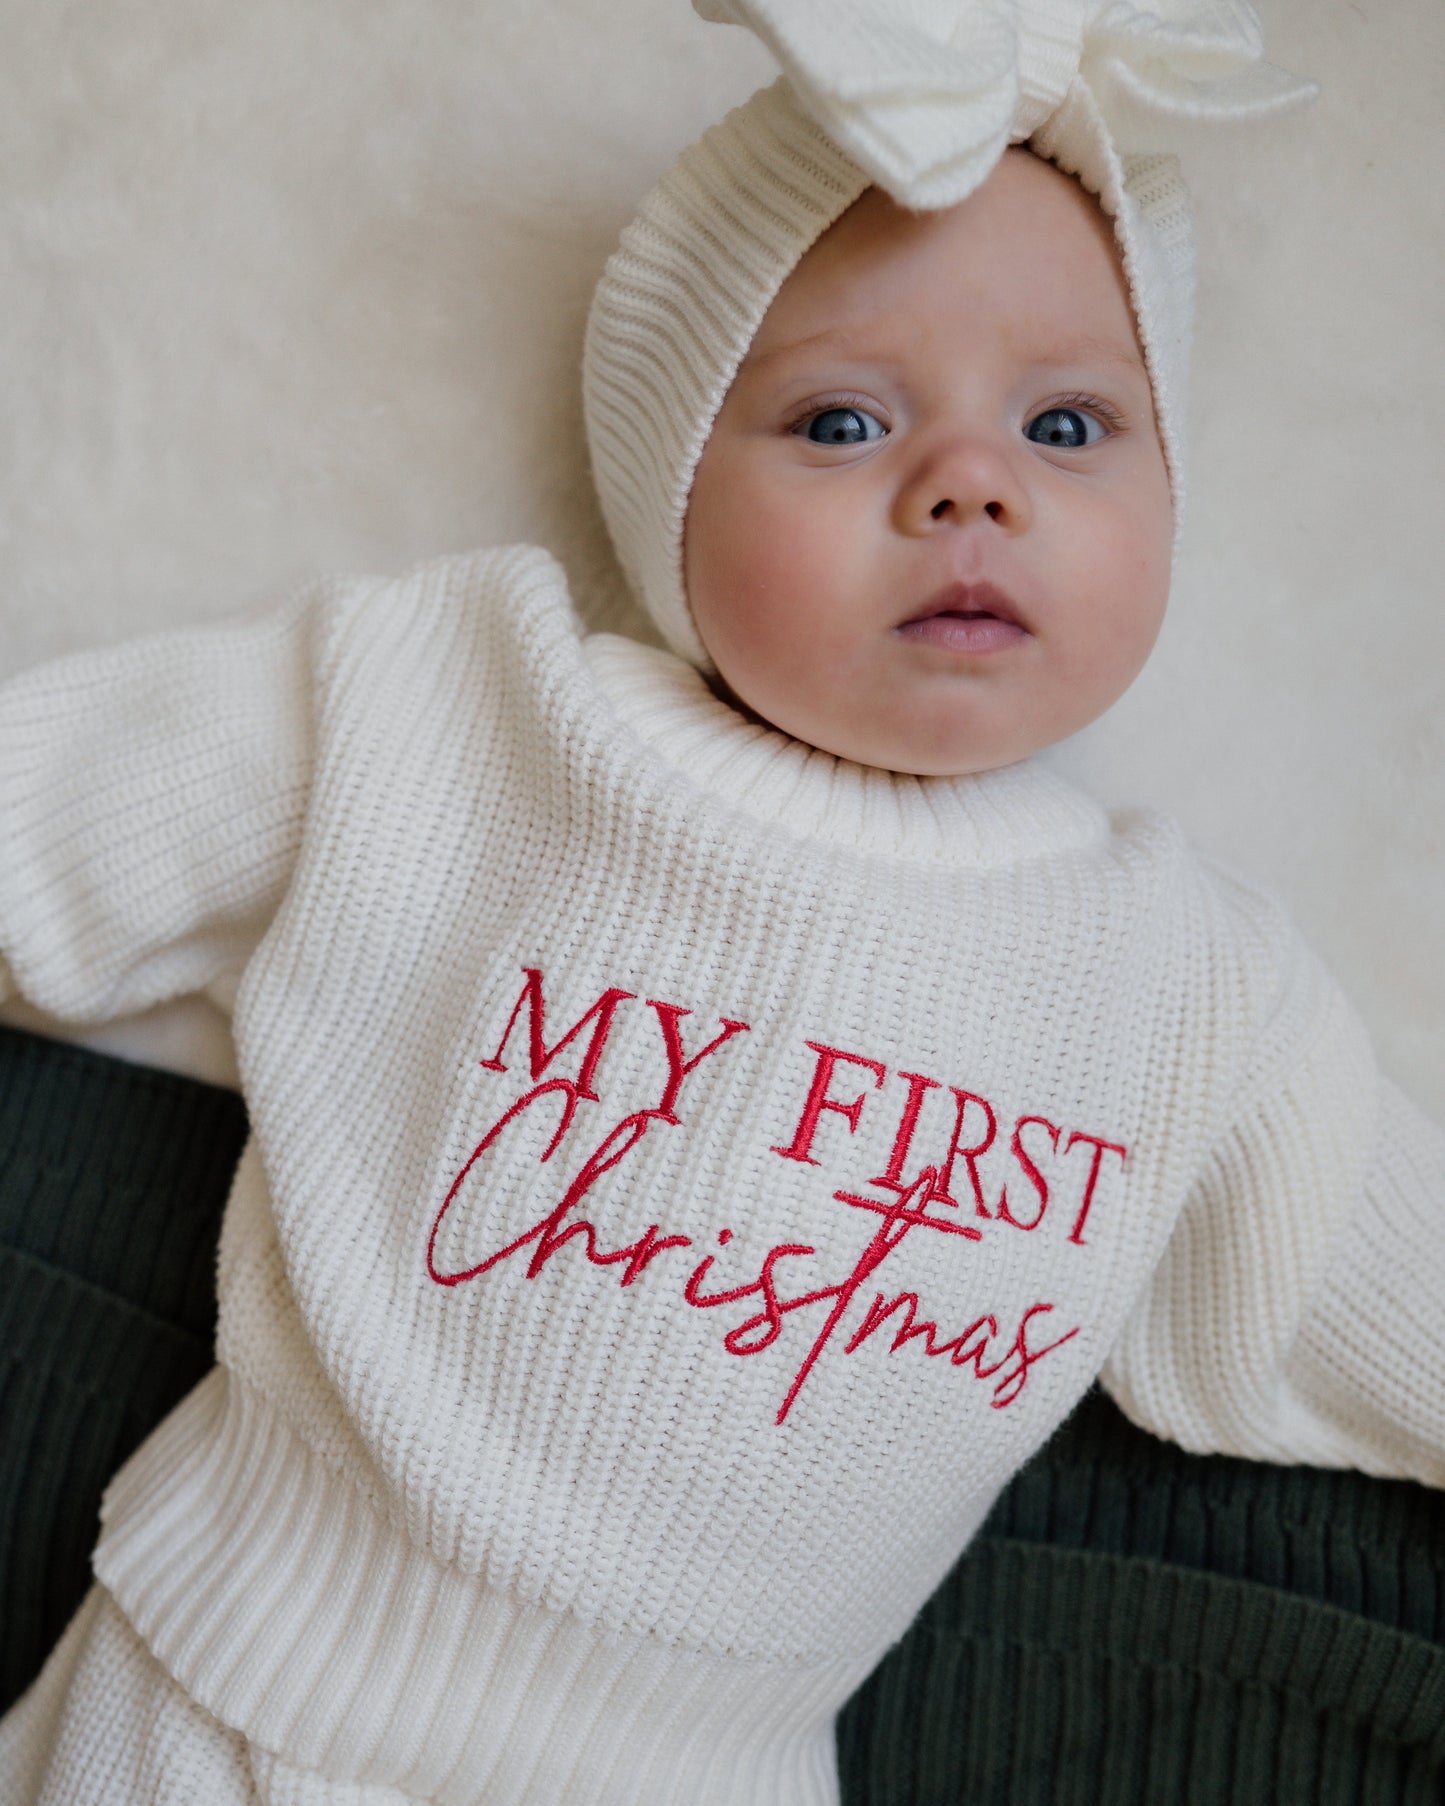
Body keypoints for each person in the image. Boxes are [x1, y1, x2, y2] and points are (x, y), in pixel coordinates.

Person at [0, 2, 1440, 1801]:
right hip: (229, 1684)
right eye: (842, 419)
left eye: (1066, 423)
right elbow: (54, 809)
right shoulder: (456, 712)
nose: (970, 482)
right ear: (670, 480)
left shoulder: (1195, 994)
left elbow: (1398, 1290)